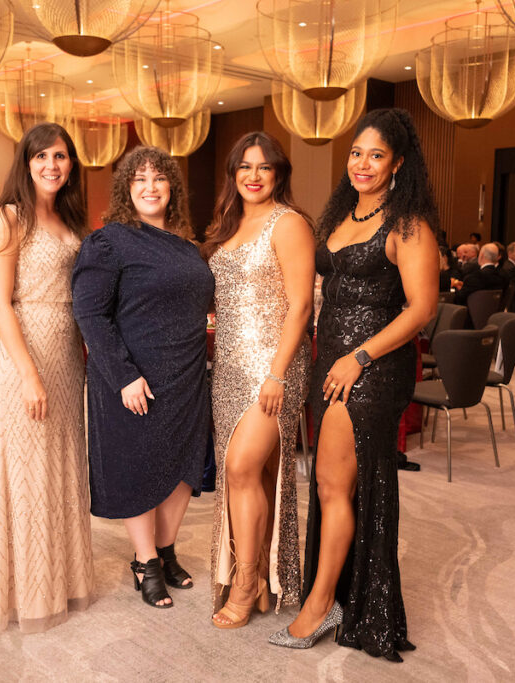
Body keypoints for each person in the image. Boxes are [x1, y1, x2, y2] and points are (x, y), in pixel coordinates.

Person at [270, 109, 437, 659]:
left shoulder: (408, 224)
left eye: (377, 155)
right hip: (332, 364)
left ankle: (323, 604)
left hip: (369, 369)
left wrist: (359, 357)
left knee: (332, 485)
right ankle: (340, 593)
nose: (363, 164)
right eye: (357, 153)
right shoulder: (341, 214)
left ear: (398, 164)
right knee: (332, 484)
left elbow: (422, 309)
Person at [72, 146, 214, 610]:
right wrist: (124, 377)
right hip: (134, 377)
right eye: (139, 180)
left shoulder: (188, 245)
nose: (150, 187)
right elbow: (91, 314)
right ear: (126, 190)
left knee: (182, 466)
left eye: (159, 179)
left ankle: (167, 550)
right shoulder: (110, 242)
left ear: (172, 187)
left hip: (187, 373)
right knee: (138, 466)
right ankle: (145, 562)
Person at [0, 122, 93, 633]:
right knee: (26, 473)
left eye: (62, 156)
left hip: (67, 355)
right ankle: (28, 594)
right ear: (25, 163)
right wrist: (28, 375)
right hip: (22, 352)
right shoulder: (9, 217)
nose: (52, 165)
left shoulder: (69, 217)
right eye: (42, 156)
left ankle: (62, 581)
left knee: (61, 466)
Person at [201, 132, 314, 628]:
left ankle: (247, 582)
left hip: (274, 367)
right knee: (251, 474)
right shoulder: (227, 226)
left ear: (278, 174)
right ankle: (261, 576)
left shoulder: (288, 224)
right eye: (244, 167)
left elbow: (301, 306)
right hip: (227, 366)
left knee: (242, 468)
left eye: (263, 167)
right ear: (233, 174)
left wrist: (277, 373)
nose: (253, 175)